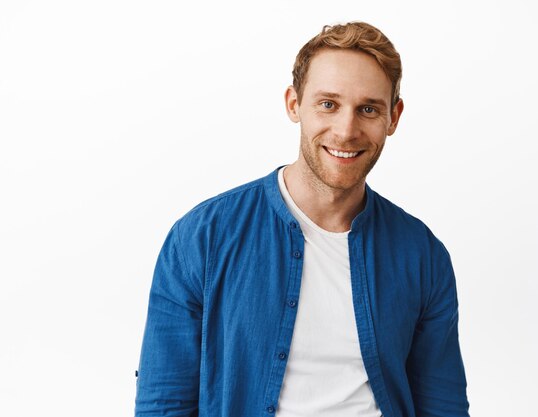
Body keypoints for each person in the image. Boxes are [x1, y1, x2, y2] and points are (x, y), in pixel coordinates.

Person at [134, 21, 470, 417]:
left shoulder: (422, 254)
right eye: (328, 104)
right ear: (294, 104)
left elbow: (443, 406)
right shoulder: (202, 238)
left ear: (393, 117)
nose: (346, 131)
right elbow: (163, 404)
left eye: (368, 109)